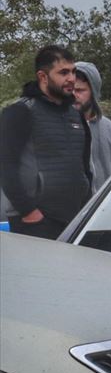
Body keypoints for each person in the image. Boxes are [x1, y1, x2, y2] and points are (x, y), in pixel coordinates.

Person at [0, 45, 92, 238]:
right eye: (63, 72)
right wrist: (28, 212)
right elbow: (6, 166)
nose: (71, 79)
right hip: (35, 223)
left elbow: (85, 167)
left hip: (74, 220)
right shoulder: (20, 112)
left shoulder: (76, 115)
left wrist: (86, 207)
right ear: (43, 77)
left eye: (73, 72)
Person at [72, 61, 111, 190]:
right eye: (70, 90)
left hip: (103, 207)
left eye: (79, 90)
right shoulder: (57, 127)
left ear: (93, 92)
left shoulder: (109, 129)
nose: (74, 95)